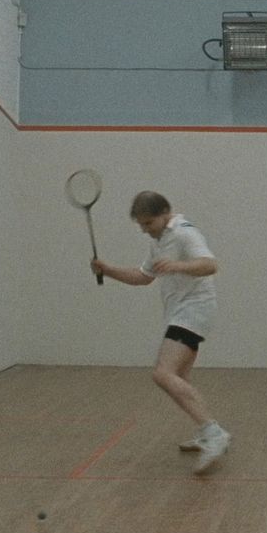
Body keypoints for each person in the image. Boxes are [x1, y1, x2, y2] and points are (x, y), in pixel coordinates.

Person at [91, 191, 231, 474]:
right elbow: (143, 278)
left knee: (162, 374)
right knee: (178, 378)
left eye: (149, 223)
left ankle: (214, 433)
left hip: (194, 310)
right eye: (141, 225)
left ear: (165, 212)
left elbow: (210, 264)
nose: (145, 229)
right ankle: (206, 431)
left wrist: (178, 265)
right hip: (182, 313)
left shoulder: (184, 233)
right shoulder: (159, 241)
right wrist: (107, 270)